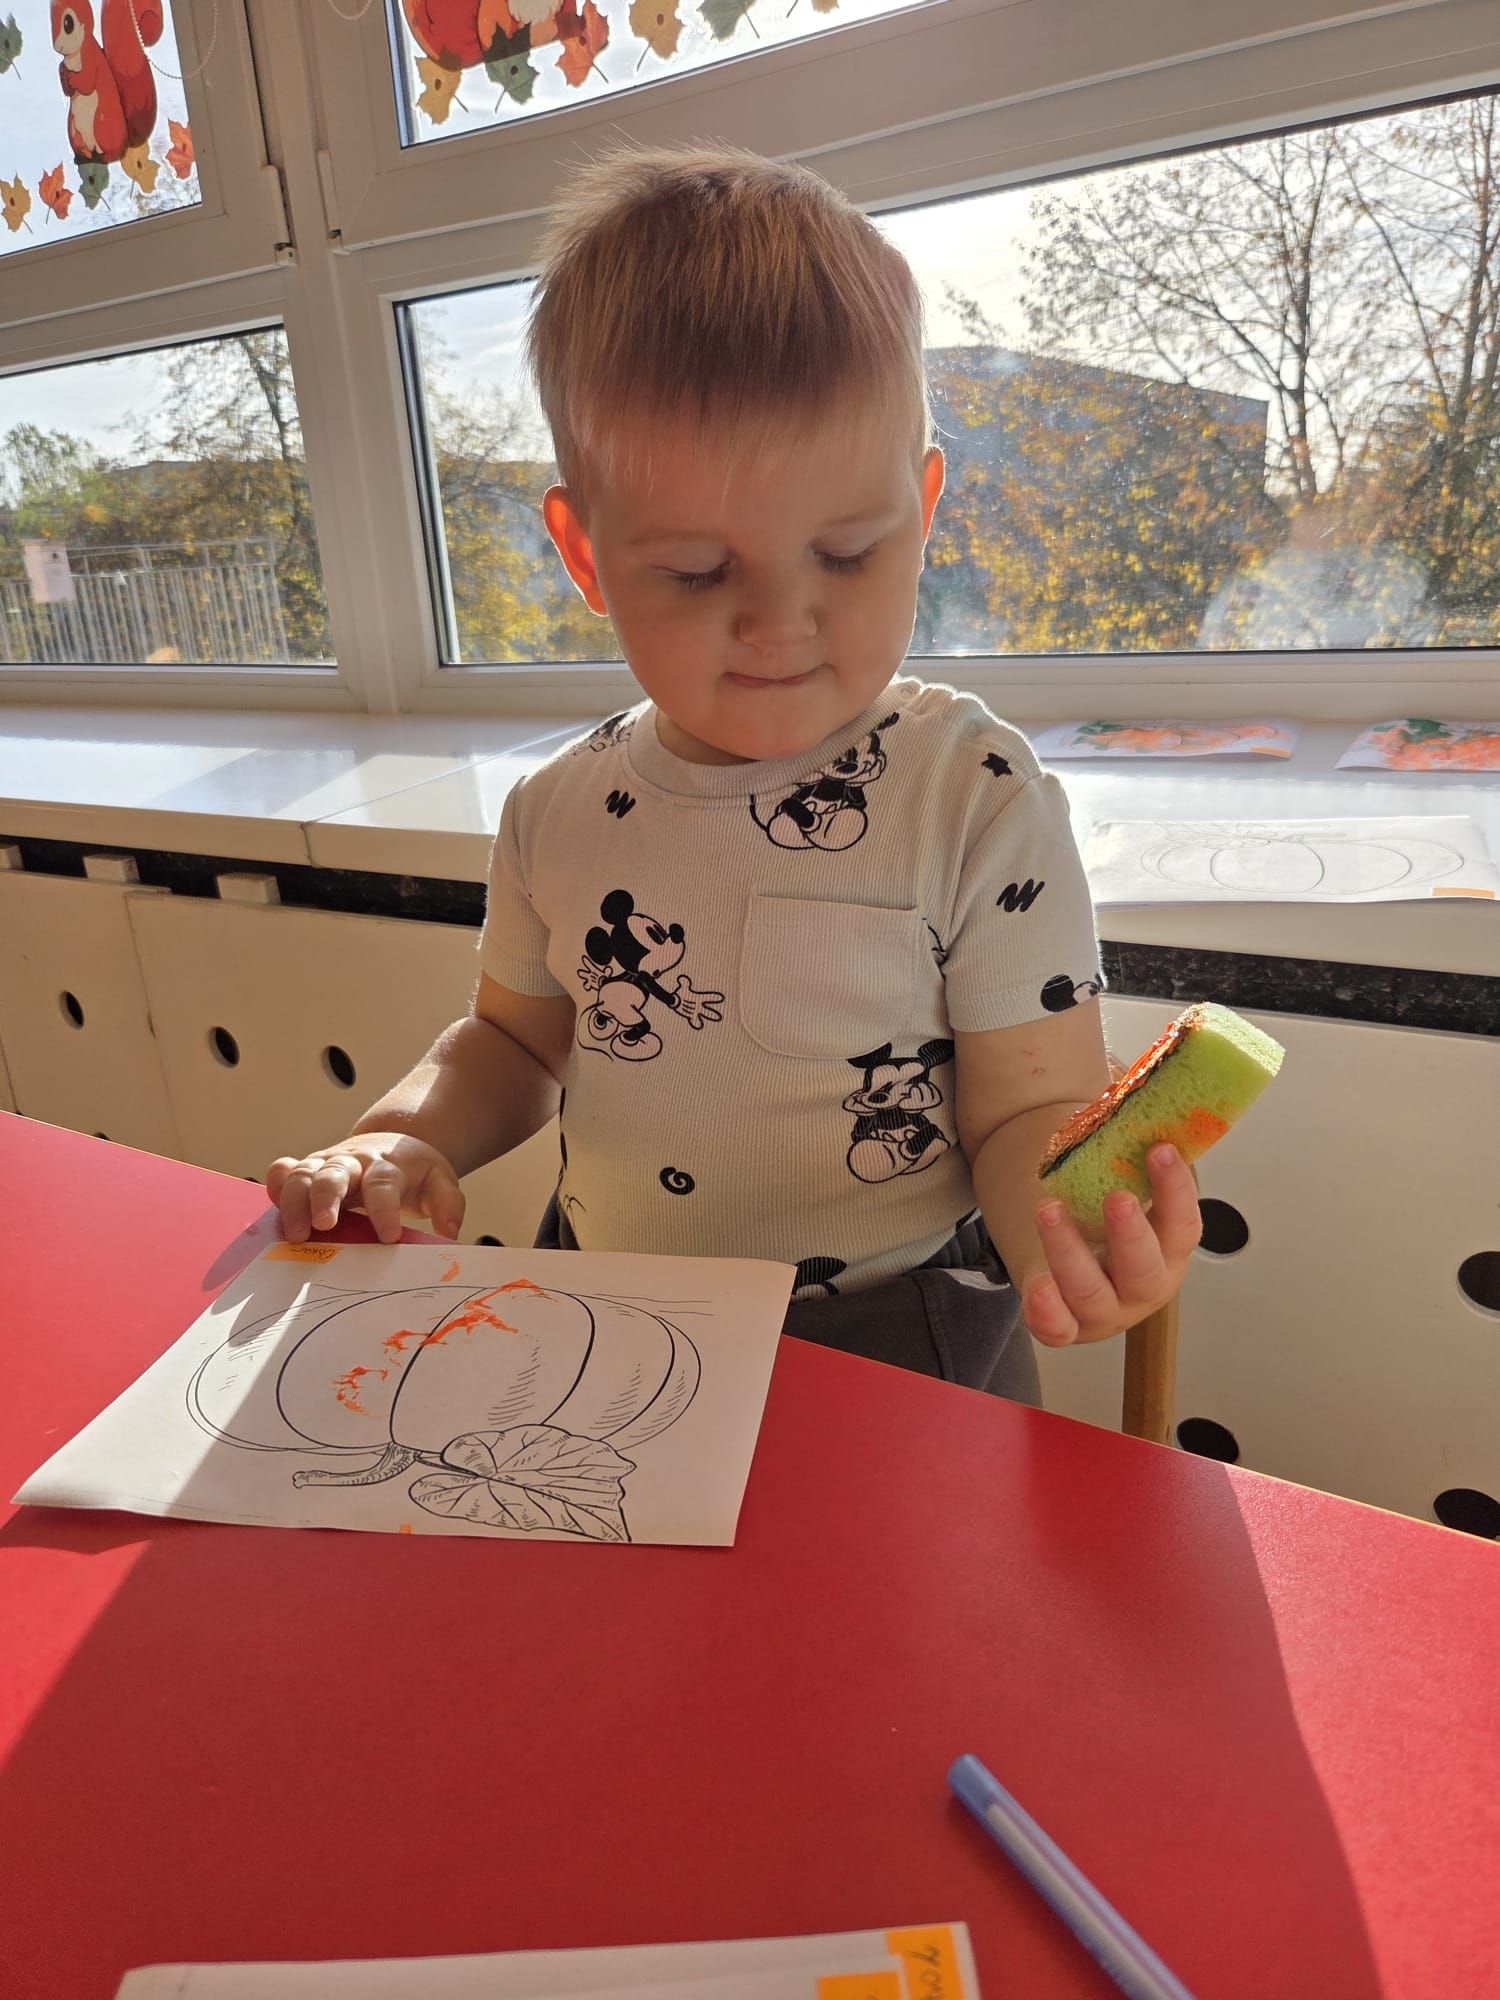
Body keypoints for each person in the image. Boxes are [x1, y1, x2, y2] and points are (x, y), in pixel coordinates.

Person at [267, 144, 1200, 1403]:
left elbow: (1023, 1110)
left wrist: (1064, 1227)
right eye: (698, 572)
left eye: (847, 551)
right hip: (607, 1306)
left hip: (895, 1335)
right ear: (586, 556)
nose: (778, 622)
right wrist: (402, 1134)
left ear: (922, 510)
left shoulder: (977, 793)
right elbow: (512, 1042)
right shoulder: (556, 811)